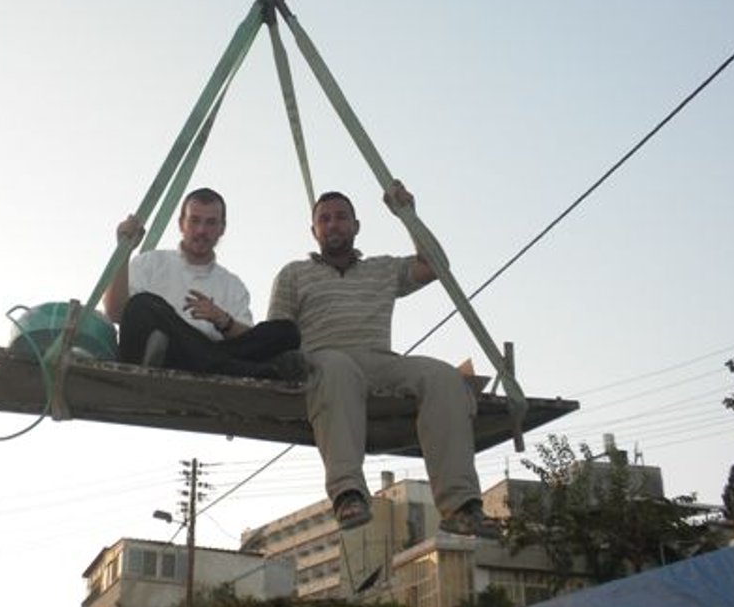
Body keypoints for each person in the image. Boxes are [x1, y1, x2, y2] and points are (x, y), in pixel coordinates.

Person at [267, 182, 488, 535]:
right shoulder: (294, 274)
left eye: (341, 217)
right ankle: (348, 493)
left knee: (444, 377)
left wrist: (408, 215)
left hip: (379, 360)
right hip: (324, 360)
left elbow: (436, 265)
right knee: (337, 369)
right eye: (325, 219)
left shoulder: (382, 269)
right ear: (314, 231)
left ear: (356, 226)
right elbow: (276, 331)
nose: (333, 224)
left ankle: (461, 505)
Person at [103, 187, 304, 380]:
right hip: (158, 356)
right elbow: (115, 312)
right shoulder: (150, 262)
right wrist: (124, 249)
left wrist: (223, 320)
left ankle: (225, 366)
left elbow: (248, 340)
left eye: (210, 223)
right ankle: (234, 368)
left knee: (286, 331)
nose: (201, 230)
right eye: (195, 221)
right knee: (143, 304)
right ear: (181, 223)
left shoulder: (232, 285)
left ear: (221, 228)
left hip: (214, 355)